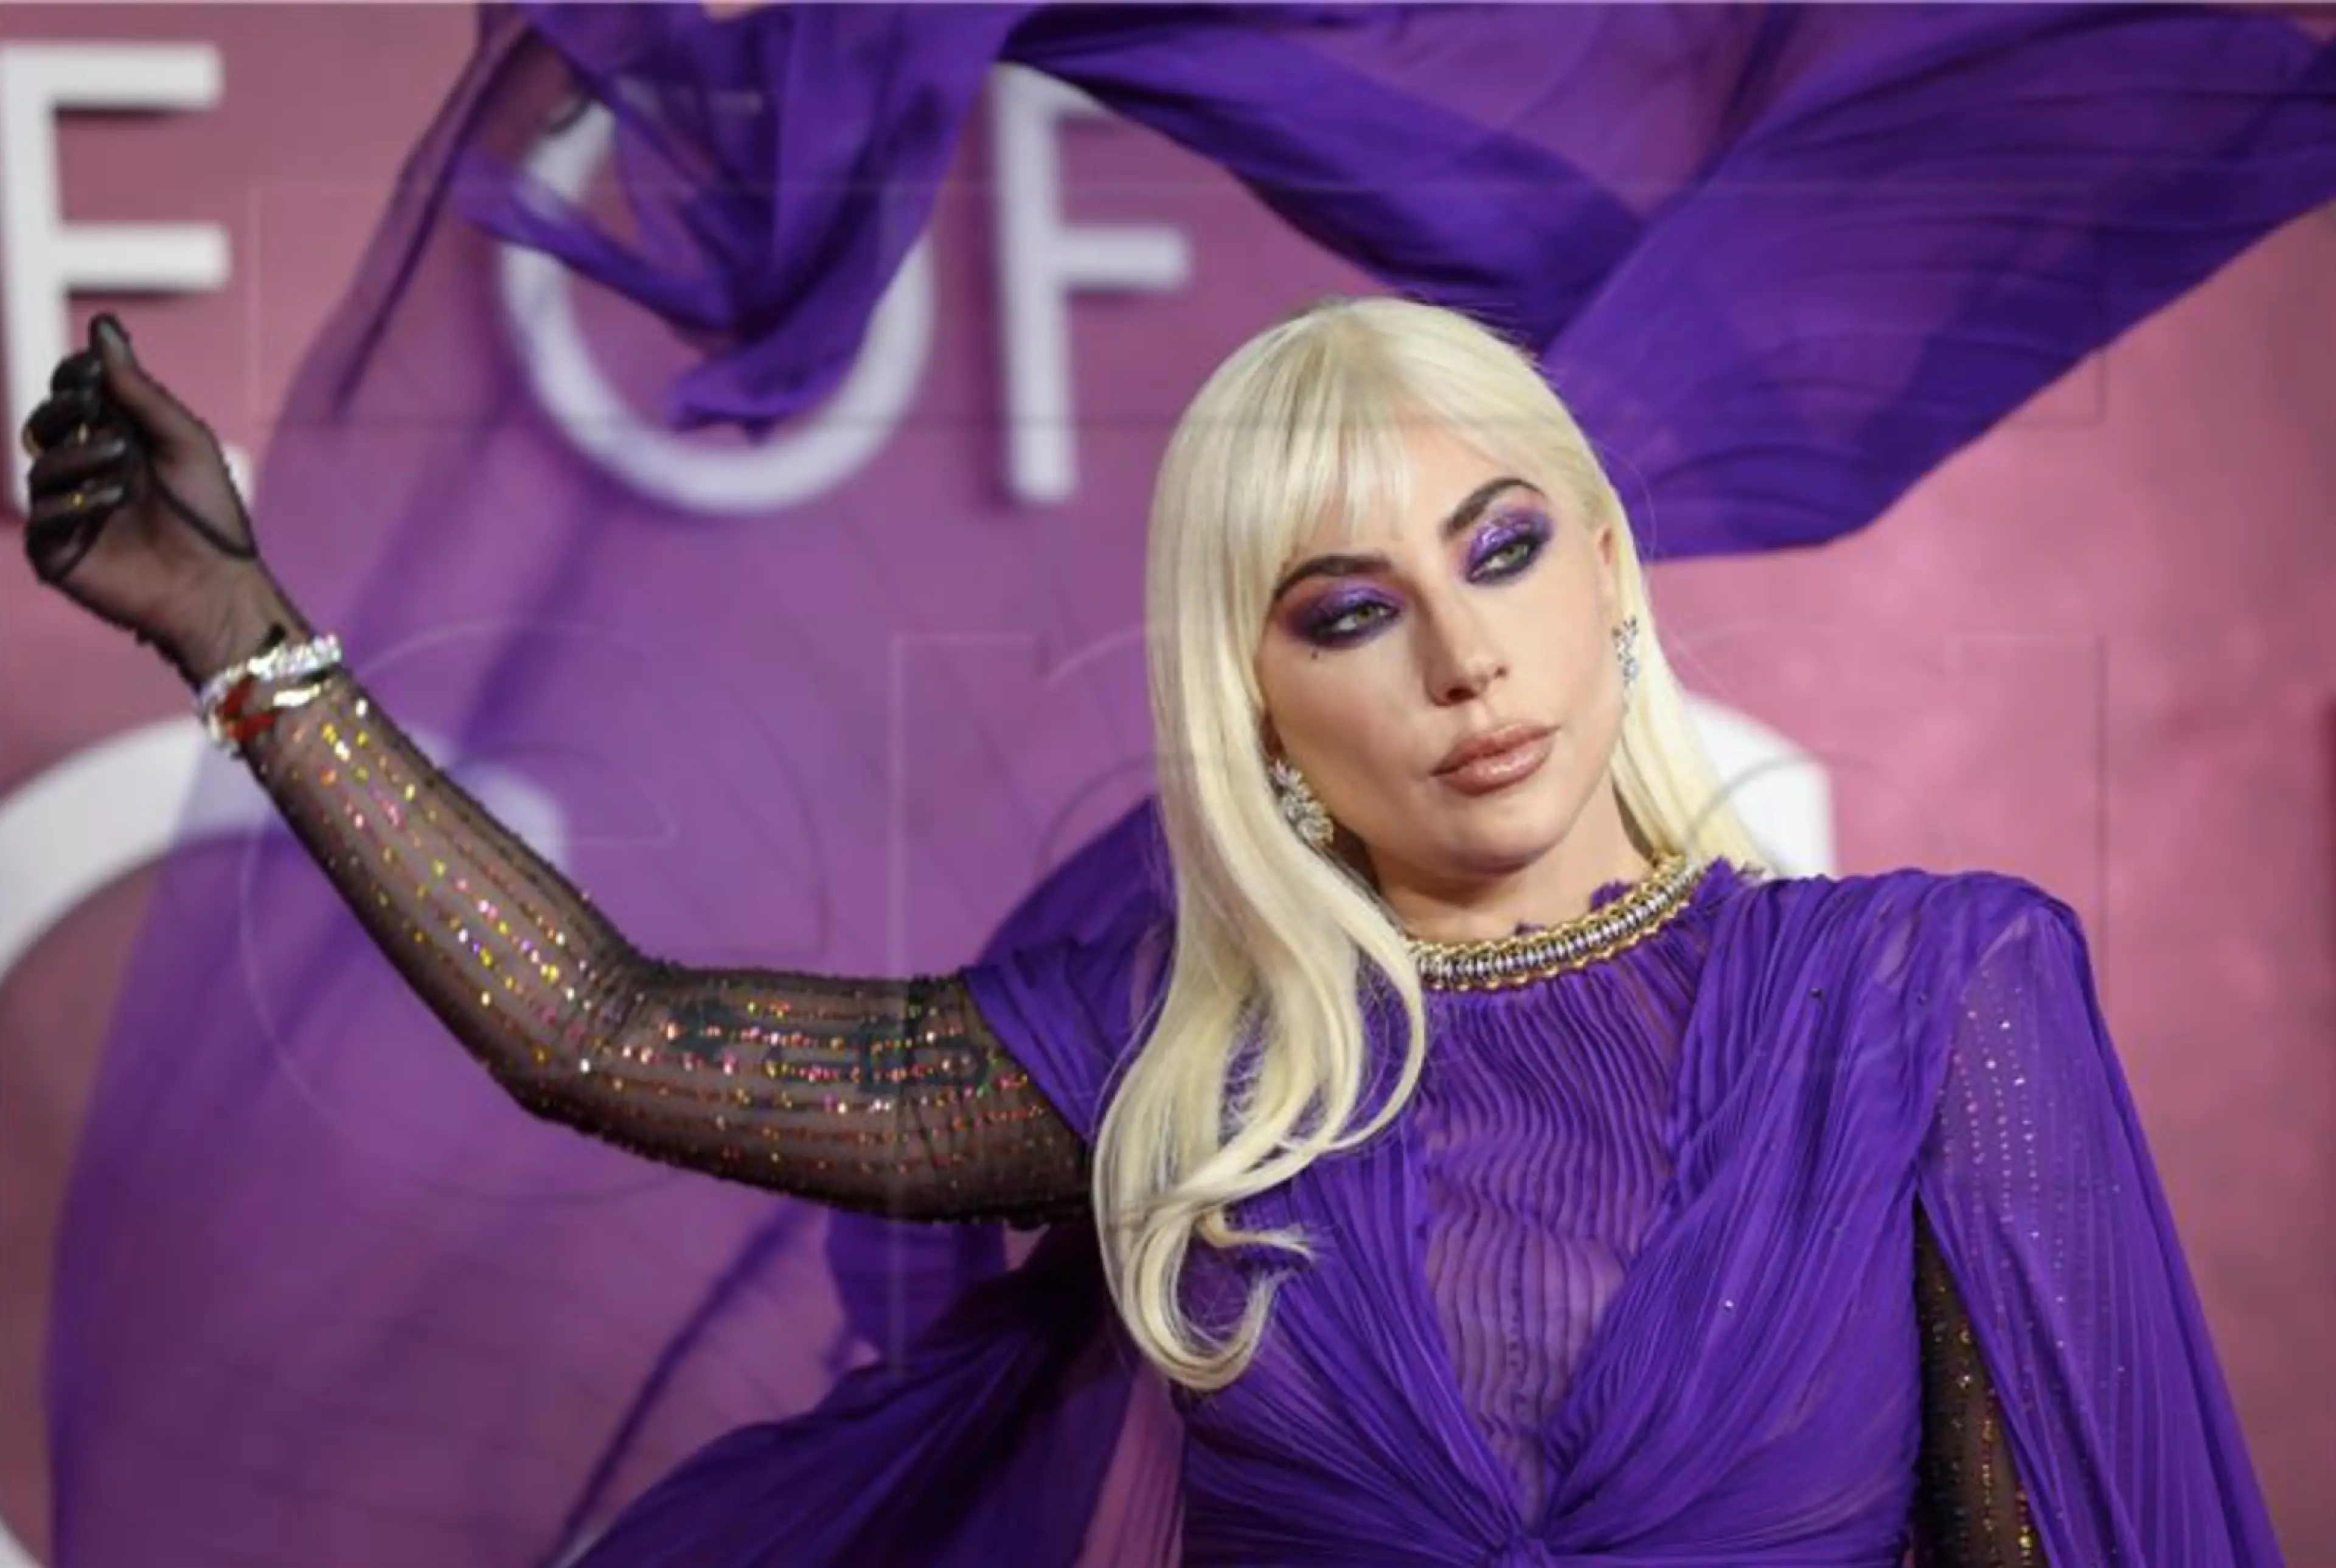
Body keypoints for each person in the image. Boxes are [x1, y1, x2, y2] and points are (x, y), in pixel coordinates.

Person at [15, 291, 2282, 1566]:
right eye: (1350, 611)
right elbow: (598, 1030)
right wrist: (243, 638)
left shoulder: (1928, 1004)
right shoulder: (1190, 1066)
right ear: (1261, 707)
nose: (1465, 662)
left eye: (1503, 550)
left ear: (1610, 568)